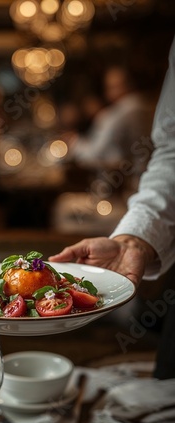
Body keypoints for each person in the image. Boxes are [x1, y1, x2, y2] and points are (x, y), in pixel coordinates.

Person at [49, 36, 175, 378]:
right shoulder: (142, 105)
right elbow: (171, 156)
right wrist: (133, 240)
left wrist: (75, 141)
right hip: (138, 197)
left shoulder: (123, 110)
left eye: (116, 83)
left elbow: (91, 154)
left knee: (65, 209)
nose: (113, 90)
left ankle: (105, 300)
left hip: (122, 195)